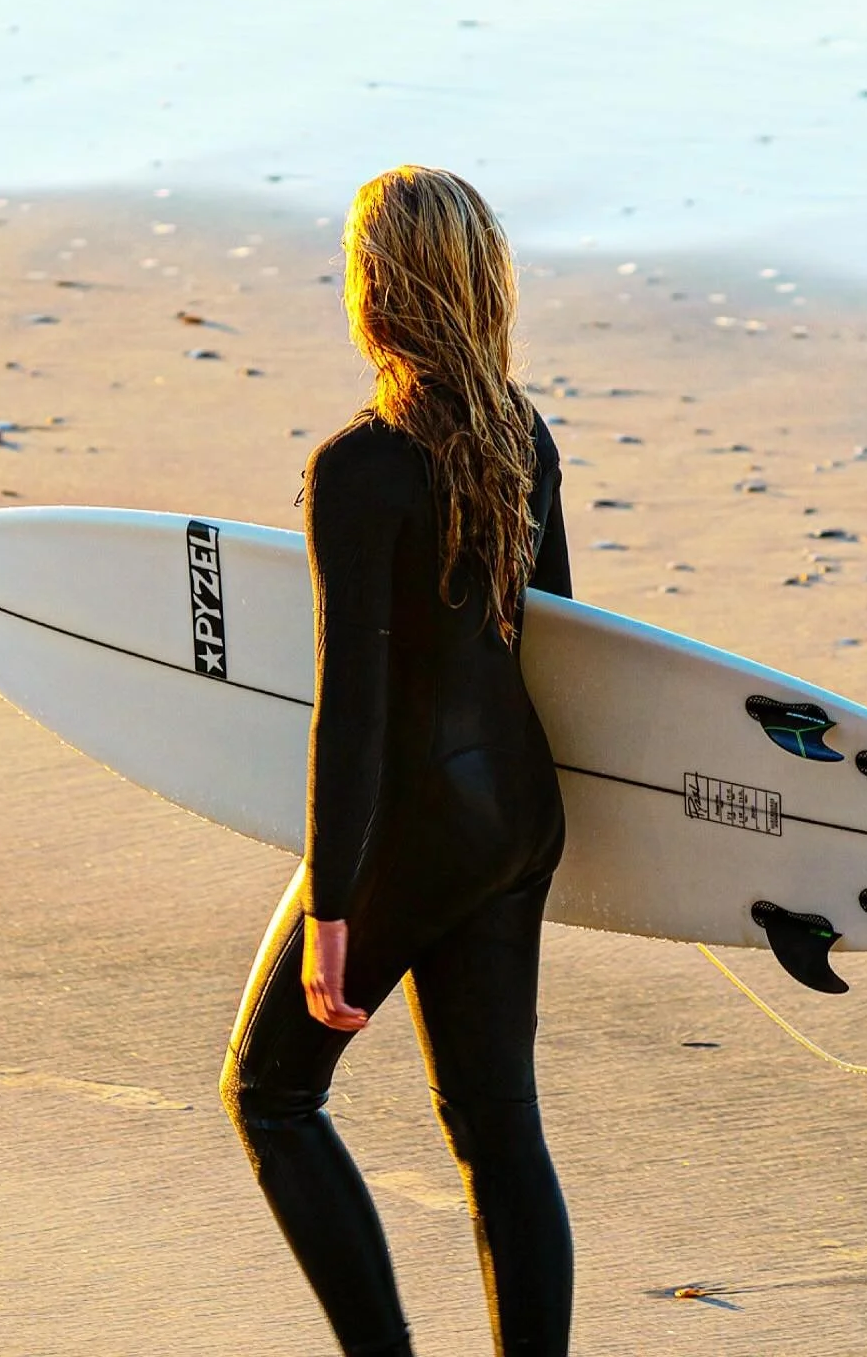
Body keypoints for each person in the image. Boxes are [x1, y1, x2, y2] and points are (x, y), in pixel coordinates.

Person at [220, 165, 574, 1357]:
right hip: (519, 813)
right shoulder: (525, 436)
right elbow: (565, 642)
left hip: (413, 827)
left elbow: (354, 715)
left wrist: (334, 907)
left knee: (271, 1094)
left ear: (375, 292)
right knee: (497, 1130)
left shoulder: (358, 469)